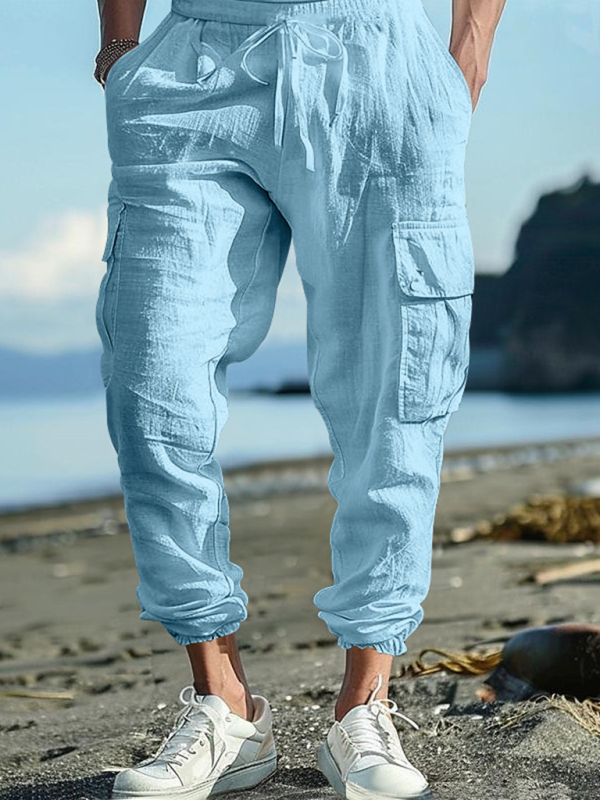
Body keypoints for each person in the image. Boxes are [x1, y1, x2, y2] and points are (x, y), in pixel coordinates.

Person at [94, 0, 506, 797]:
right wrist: (120, 41)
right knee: (152, 382)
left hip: (381, 58)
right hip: (194, 64)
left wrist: (471, 46)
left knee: (396, 392)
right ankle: (224, 704)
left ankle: (365, 705)